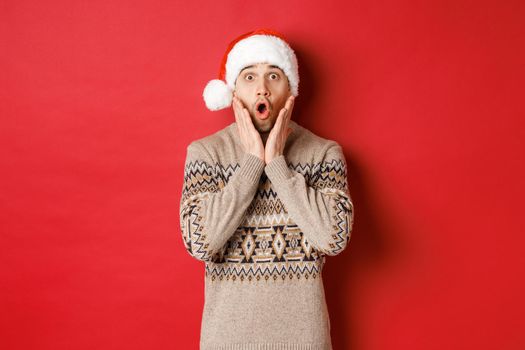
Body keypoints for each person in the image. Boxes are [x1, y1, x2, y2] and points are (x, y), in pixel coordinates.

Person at [179, 28, 354, 350]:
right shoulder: (206, 153)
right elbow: (200, 244)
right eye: (249, 77)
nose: (262, 89)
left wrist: (276, 164)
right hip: (226, 342)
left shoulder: (323, 153)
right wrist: (250, 163)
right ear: (233, 91)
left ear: (291, 87)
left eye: (273, 75)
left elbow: (333, 238)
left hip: (305, 341)